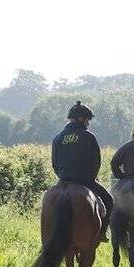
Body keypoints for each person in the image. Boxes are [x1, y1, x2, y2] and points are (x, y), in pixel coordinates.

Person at [51, 101, 113, 242]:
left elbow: (54, 163)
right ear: (80, 118)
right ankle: (102, 233)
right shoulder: (89, 137)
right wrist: (91, 178)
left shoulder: (58, 138)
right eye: (87, 120)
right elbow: (96, 162)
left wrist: (62, 177)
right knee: (109, 201)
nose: (88, 124)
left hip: (63, 180)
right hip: (85, 181)